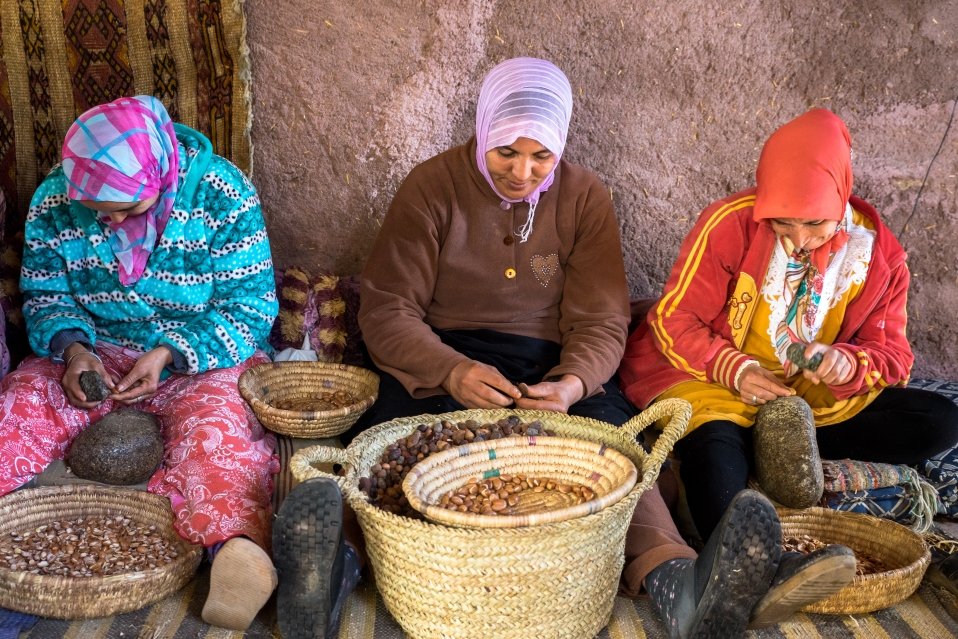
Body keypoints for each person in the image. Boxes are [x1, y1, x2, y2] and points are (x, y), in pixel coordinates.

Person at [274, 57, 788, 639]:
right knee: (395, 453)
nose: (522, 173)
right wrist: (452, 371)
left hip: (551, 367)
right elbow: (388, 310)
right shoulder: (431, 187)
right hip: (441, 359)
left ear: (560, 146)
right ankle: (328, 573)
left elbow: (600, 320)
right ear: (483, 130)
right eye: (505, 154)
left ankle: (677, 581)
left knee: (613, 456)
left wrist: (572, 385)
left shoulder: (584, 197)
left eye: (541, 156)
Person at [620, 108, 958, 626]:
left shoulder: (878, 253)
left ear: (841, 197)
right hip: (715, 376)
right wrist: (733, 369)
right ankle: (763, 551)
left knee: (938, 420)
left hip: (810, 393)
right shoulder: (729, 224)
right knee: (714, 450)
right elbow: (675, 318)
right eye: (783, 222)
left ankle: (781, 442)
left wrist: (846, 363)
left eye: (816, 224)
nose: (798, 239)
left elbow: (893, 355)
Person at [7, 96, 280, 630]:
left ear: (160, 171)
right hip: (99, 350)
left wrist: (169, 353)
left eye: (126, 209)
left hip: (204, 357)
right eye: (96, 211)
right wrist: (73, 350)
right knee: (20, 402)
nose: (108, 220)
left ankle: (236, 553)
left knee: (217, 434)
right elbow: (44, 295)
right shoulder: (54, 200)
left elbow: (251, 308)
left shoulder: (221, 195)